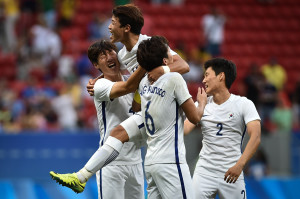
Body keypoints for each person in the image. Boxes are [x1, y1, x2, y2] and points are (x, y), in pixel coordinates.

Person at [50, 4, 189, 196]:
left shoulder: (149, 46)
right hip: (128, 145)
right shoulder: (122, 56)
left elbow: (183, 65)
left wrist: (158, 70)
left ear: (126, 27)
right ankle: (80, 176)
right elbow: (125, 82)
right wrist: (98, 81)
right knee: (118, 133)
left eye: (113, 22)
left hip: (160, 109)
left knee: (120, 132)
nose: (109, 26)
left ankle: (80, 176)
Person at [51, 40, 147, 198]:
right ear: (96, 65)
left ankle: (80, 177)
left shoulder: (132, 80)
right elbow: (126, 87)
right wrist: (145, 64)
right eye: (103, 56)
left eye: (111, 52)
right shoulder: (99, 85)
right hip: (110, 162)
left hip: (135, 160)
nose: (109, 57)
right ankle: (80, 177)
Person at [136, 36, 207, 199]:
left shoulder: (144, 83)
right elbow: (195, 117)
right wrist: (201, 103)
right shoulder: (174, 79)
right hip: (171, 162)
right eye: (169, 52)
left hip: (151, 162)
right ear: (165, 61)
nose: (173, 55)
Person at [184, 58, 261, 199]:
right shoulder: (201, 104)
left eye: (207, 75)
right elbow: (184, 130)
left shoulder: (244, 104)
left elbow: (255, 136)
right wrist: (200, 105)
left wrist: (240, 165)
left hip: (232, 171)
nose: (204, 80)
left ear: (221, 76)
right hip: (204, 172)